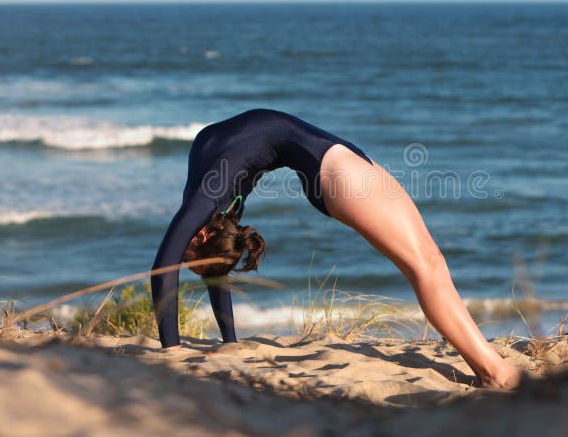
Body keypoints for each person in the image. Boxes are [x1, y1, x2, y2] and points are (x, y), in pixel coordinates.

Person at [151, 108, 520, 388]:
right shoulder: (216, 204)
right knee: (428, 266)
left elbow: (162, 265)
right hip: (335, 169)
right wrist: (206, 346)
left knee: (427, 265)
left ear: (199, 237)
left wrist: (177, 348)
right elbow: (207, 269)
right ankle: (495, 372)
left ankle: (488, 368)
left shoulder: (206, 200)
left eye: (191, 264)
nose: (183, 262)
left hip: (336, 165)